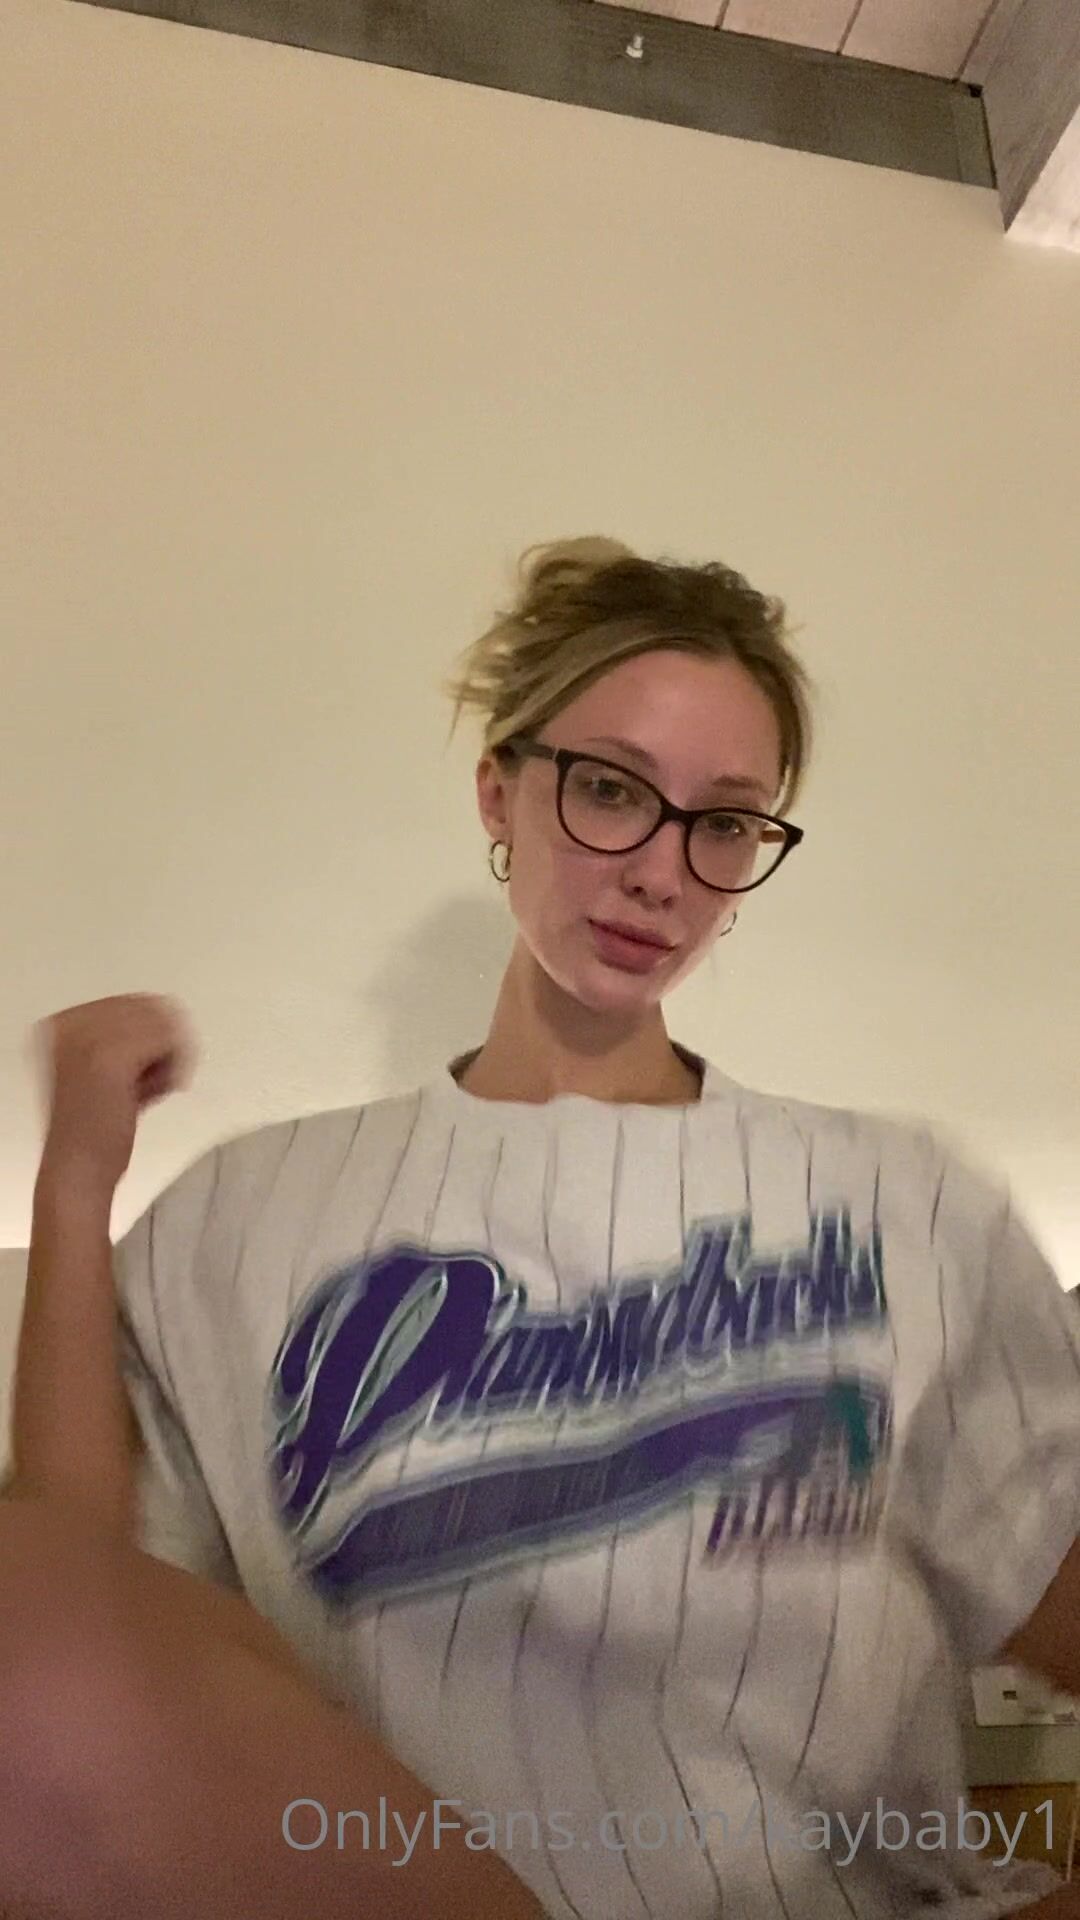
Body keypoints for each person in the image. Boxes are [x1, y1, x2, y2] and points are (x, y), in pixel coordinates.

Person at [2, 535, 1078, 1920]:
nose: (662, 871)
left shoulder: (907, 1205)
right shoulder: (244, 1216)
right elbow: (67, 1621)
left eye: (724, 823)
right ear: (498, 788)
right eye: (610, 789)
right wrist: (75, 1179)